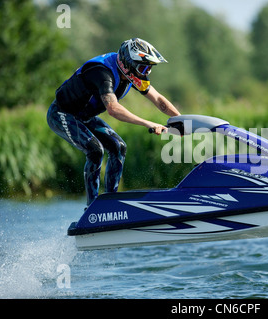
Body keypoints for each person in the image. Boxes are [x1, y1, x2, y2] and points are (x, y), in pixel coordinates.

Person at [47, 38, 180, 205]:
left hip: (84, 117)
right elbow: (113, 109)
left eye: (149, 69)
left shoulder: (133, 74)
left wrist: (181, 120)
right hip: (61, 114)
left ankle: (110, 204)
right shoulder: (102, 72)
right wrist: (149, 123)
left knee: (119, 147)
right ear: (128, 64)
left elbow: (159, 99)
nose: (145, 73)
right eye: (143, 68)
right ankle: (92, 208)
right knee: (95, 150)